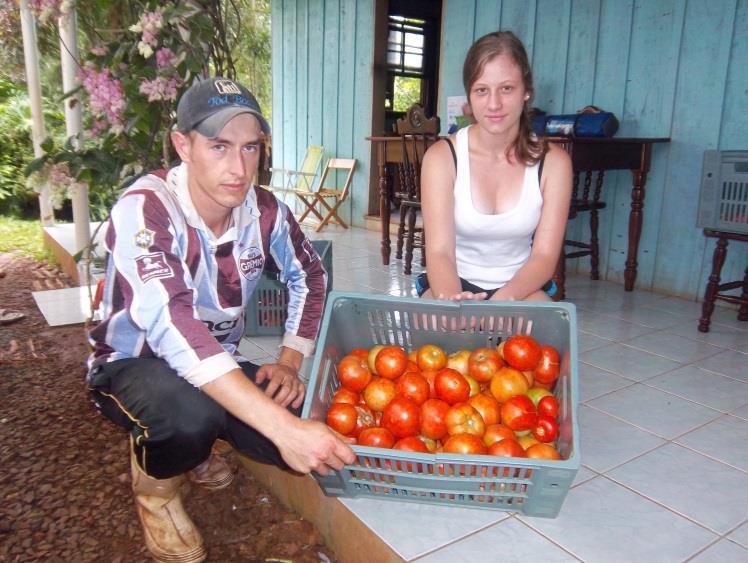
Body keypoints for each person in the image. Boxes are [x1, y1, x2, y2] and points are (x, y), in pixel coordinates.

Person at [86, 77, 355, 563]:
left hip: (216, 360)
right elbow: (172, 323)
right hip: (131, 362)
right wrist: (281, 428)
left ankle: (205, 440)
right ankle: (157, 490)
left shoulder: (266, 211)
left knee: (307, 423)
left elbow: (311, 276)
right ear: (182, 146)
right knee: (188, 417)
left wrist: (290, 360)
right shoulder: (146, 209)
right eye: (219, 146)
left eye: (250, 147)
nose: (238, 169)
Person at [417, 31, 572, 302]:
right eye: (481, 90)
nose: (494, 104)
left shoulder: (554, 163)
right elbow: (439, 251)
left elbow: (545, 256)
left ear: (526, 92)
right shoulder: (442, 158)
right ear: (469, 97)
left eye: (507, 88)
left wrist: (503, 301)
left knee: (546, 335)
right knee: (432, 332)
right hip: (453, 282)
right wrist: (455, 301)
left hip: (521, 288)